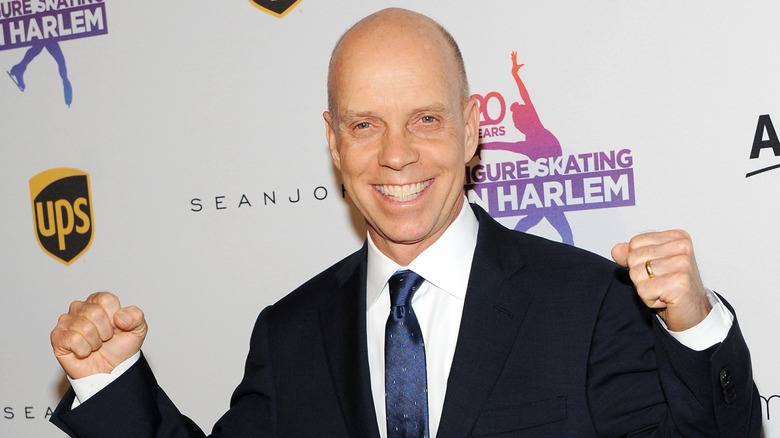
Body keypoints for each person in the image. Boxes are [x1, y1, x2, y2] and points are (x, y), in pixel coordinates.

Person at [49, 8, 761, 437]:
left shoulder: (592, 302)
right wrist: (111, 383)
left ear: (473, 127)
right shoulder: (289, 334)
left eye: (425, 118)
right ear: (333, 140)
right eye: (365, 124)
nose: (396, 154)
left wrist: (695, 325)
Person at [477, 51, 574, 245]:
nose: (516, 124)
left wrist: (516, 75)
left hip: (550, 191)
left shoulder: (535, 130)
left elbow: (525, 95)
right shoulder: (526, 143)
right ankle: (507, 249)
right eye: (514, 121)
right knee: (535, 221)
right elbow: (500, 145)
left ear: (526, 119)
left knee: (539, 221)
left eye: (517, 120)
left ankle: (506, 248)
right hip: (546, 193)